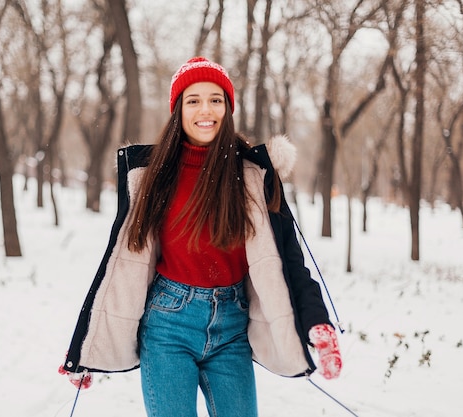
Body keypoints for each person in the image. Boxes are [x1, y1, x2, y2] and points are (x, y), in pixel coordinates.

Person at [59, 56, 342, 417]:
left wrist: (318, 321)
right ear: (178, 110)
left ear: (228, 108)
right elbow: (120, 266)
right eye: (193, 100)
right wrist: (83, 352)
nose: (205, 110)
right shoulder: (153, 175)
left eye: (215, 99)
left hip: (232, 328)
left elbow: (289, 259)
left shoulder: (255, 175)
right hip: (167, 326)